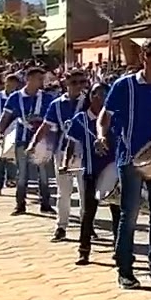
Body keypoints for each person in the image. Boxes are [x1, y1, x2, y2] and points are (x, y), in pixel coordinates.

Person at [98, 39, 151, 289]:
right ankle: (125, 269)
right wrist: (102, 135)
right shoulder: (124, 86)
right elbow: (105, 117)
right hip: (130, 158)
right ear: (143, 56)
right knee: (130, 214)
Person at [66, 83, 121, 266]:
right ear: (92, 96)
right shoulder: (80, 119)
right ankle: (84, 251)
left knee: (117, 212)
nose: (104, 97)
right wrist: (66, 163)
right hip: (91, 172)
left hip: (114, 171)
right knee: (89, 213)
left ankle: (119, 249)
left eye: (107, 93)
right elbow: (71, 144)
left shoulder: (114, 118)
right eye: (100, 93)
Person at [1, 68, 54, 216]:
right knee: (22, 173)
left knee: (43, 173)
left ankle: (46, 203)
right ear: (28, 79)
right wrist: (0, 133)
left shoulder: (46, 98)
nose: (41, 82)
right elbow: (6, 117)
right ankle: (20, 204)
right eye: (39, 78)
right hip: (22, 139)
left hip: (41, 140)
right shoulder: (15, 98)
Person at [41, 70, 87, 241]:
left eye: (82, 82)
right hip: (62, 152)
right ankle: (61, 227)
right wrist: (36, 144)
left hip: (85, 153)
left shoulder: (89, 101)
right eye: (74, 82)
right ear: (66, 84)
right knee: (64, 192)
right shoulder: (56, 104)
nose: (79, 86)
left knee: (85, 192)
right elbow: (47, 126)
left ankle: (86, 225)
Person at [0, 74, 18, 195]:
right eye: (9, 83)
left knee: (11, 155)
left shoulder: (17, 97)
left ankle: (11, 178)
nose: (11, 86)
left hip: (13, 130)